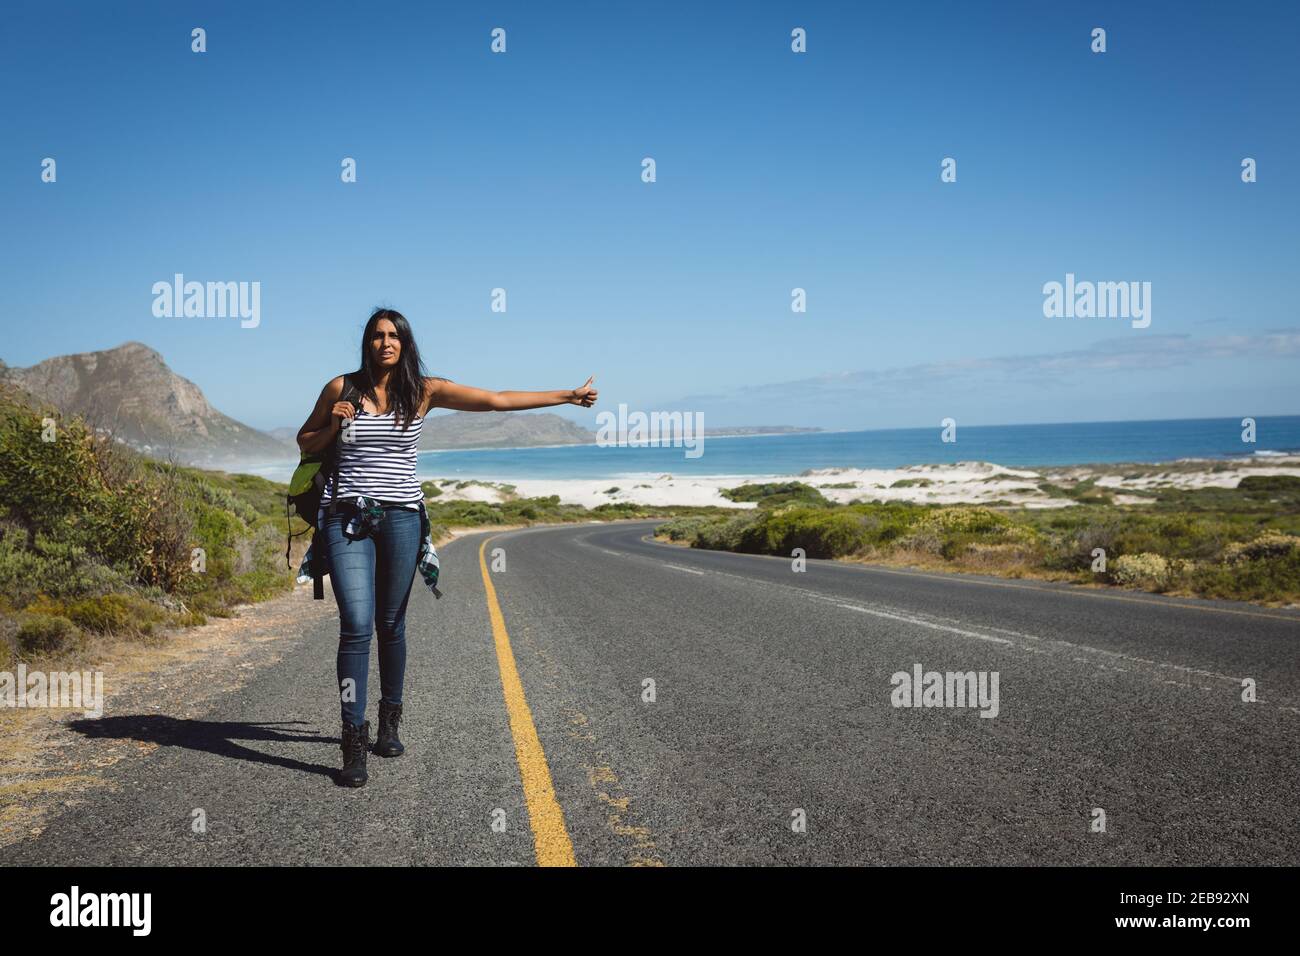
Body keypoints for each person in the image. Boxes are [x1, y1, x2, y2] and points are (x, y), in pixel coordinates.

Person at [295, 307, 598, 787]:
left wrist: (566, 395)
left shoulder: (423, 391)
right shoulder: (341, 387)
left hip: (402, 519)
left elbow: (496, 399)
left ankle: (389, 719)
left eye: (394, 336)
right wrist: (333, 424)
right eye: (377, 336)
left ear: (406, 343)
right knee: (356, 624)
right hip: (346, 517)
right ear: (367, 343)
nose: (385, 343)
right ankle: (353, 739)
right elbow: (305, 441)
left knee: (390, 623)